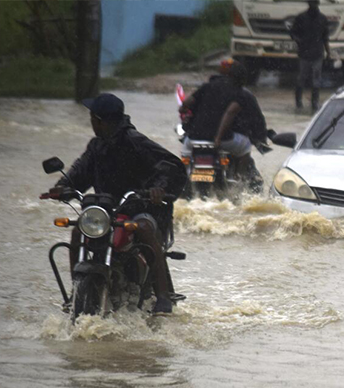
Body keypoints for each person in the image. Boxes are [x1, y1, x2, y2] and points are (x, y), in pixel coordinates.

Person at [46, 93, 187, 314]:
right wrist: (63, 186)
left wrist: (159, 188)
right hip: (104, 211)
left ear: (99, 120)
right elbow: (80, 171)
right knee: (77, 232)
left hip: (138, 209)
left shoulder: (135, 141)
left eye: (92, 118)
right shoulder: (96, 146)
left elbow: (173, 166)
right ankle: (76, 291)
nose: (91, 122)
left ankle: (162, 297)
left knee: (145, 229)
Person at [179, 59, 269, 187]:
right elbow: (230, 113)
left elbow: (186, 104)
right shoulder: (240, 93)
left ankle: (184, 177)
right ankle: (239, 179)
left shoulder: (207, 86)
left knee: (185, 152)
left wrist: (184, 115)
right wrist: (218, 137)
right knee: (245, 147)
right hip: (222, 139)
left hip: (194, 137)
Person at [289, 0, 331, 111]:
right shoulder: (301, 18)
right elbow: (293, 33)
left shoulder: (322, 19)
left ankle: (314, 102)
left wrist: (328, 53)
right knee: (302, 78)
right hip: (305, 53)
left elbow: (325, 37)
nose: (313, 5)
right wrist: (300, 41)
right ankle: (299, 102)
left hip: (316, 53)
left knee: (315, 79)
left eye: (315, 3)